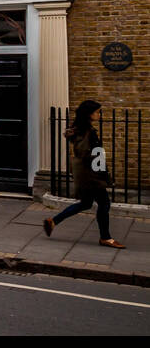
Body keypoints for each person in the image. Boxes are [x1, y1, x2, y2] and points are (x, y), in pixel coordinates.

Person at [44, 100, 125, 248]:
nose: (99, 115)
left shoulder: (78, 130)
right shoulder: (88, 133)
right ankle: (105, 238)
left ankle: (53, 221)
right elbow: (93, 155)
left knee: (86, 203)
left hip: (85, 173)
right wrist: (104, 175)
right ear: (89, 114)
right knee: (104, 203)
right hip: (91, 175)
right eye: (97, 112)